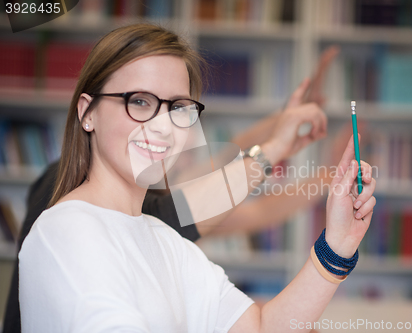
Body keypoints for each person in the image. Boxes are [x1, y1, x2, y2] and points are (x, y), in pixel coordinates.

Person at [18, 23, 376, 332]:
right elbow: (215, 187)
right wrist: (279, 143)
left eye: (178, 108)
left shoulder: (164, 238)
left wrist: (338, 245)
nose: (161, 126)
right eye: (139, 101)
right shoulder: (69, 229)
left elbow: (260, 326)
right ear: (87, 113)